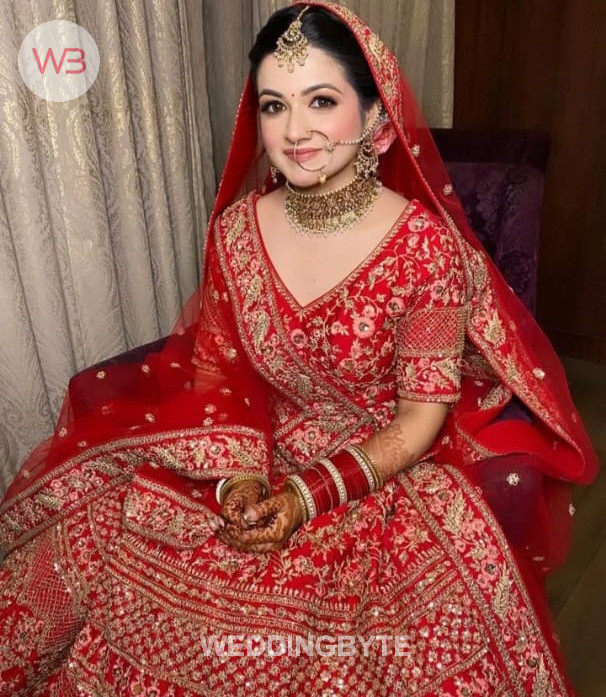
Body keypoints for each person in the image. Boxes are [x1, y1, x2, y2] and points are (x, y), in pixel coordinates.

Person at [0, 2, 597, 695]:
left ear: (376, 120)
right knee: (104, 538)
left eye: (321, 100)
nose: (294, 130)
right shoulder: (236, 232)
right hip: (249, 445)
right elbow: (217, 369)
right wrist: (239, 481)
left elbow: (419, 418)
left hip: (379, 469)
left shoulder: (425, 250)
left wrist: (306, 495)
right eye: (274, 105)